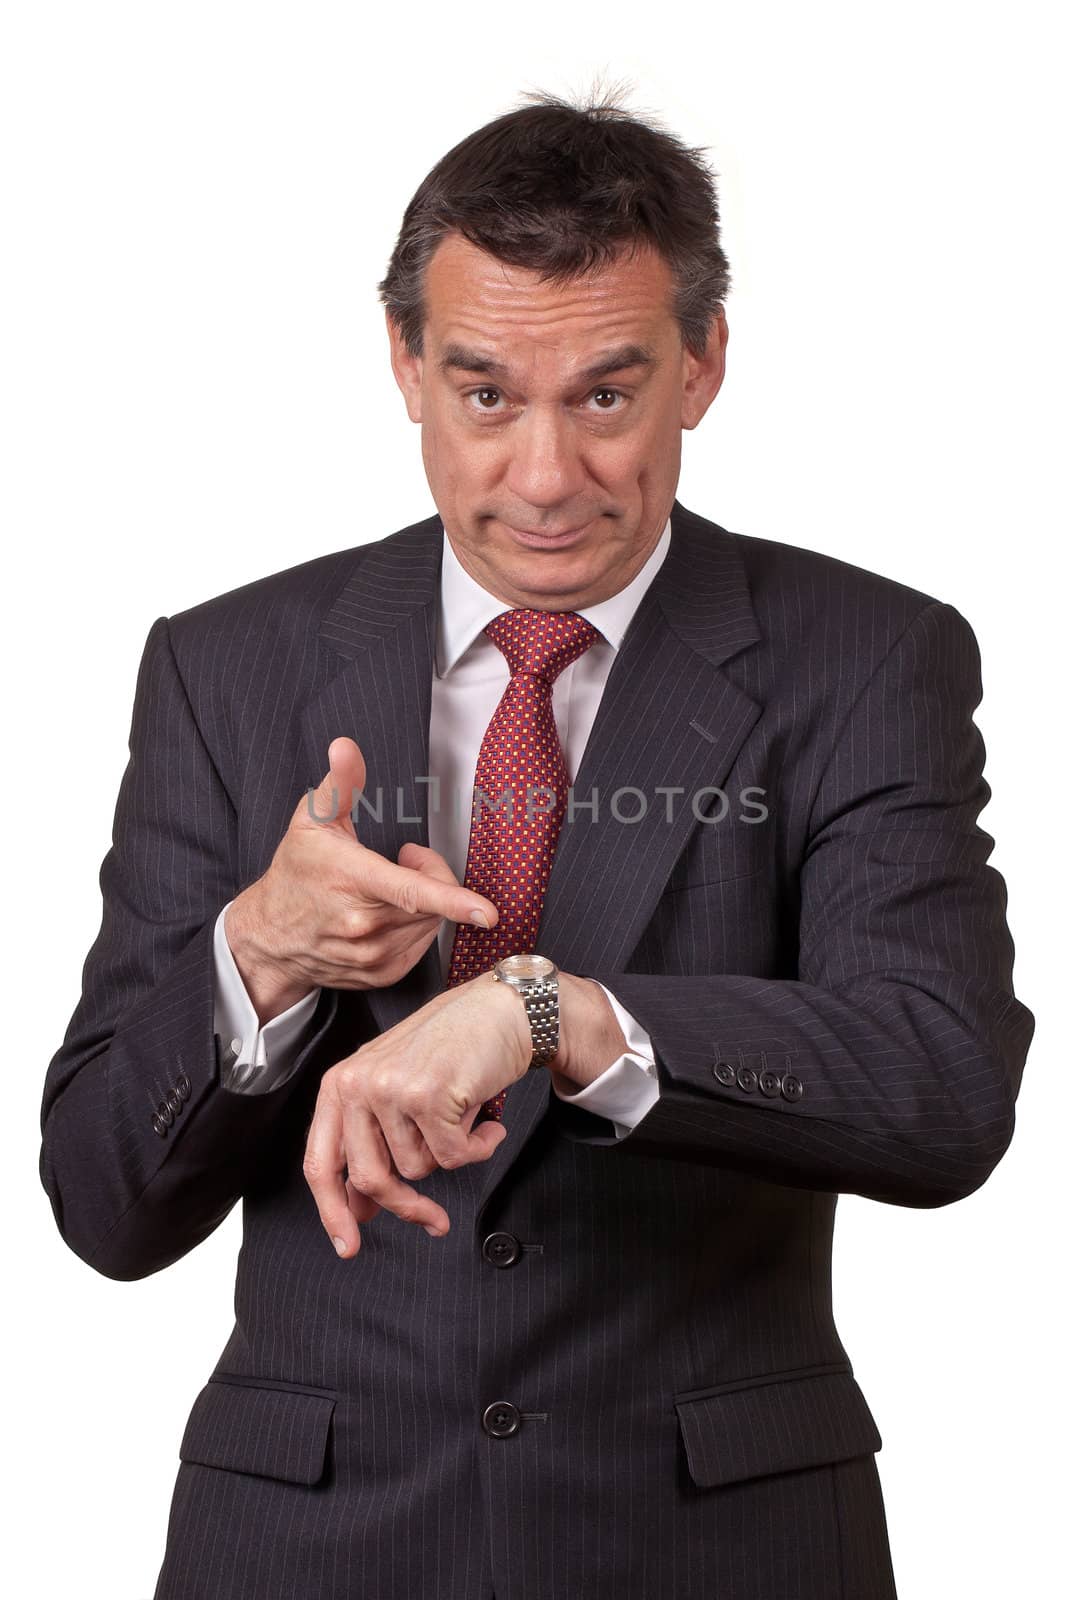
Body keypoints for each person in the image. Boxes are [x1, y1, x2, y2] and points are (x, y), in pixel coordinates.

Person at [39, 86, 1034, 1600]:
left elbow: (940, 1083)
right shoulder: (224, 665)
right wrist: (260, 955)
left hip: (716, 1546)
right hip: (308, 1546)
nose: (549, 475)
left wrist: (549, 1015)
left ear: (702, 365)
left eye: (608, 395)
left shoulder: (866, 656)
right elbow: (104, 1205)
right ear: (406, 368)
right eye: (489, 393)